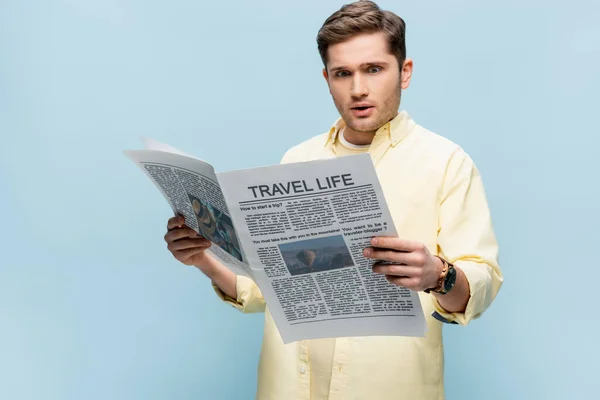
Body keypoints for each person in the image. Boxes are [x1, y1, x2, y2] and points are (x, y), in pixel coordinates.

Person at [163, 1, 503, 399]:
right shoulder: (297, 158)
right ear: (327, 78)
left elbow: (481, 286)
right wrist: (201, 257)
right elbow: (267, 290)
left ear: (404, 72)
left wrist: (439, 275)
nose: (358, 88)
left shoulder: (446, 162)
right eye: (343, 73)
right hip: (289, 386)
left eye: (374, 69)